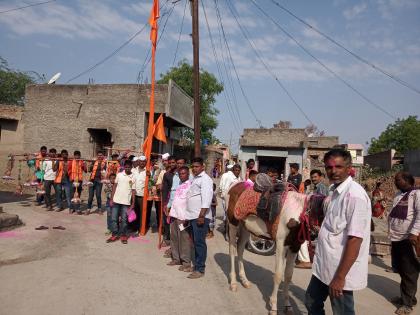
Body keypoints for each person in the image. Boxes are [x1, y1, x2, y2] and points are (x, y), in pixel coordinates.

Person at [305, 149, 371, 315]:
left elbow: (355, 240)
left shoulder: (354, 196)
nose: (333, 171)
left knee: (342, 311)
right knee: (311, 302)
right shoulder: (335, 191)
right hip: (324, 265)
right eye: (329, 167)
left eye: (339, 166)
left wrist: (340, 278)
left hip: (340, 270)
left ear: (349, 168)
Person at [388, 171, 419, 315]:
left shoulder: (416, 194)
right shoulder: (398, 195)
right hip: (396, 238)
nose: (395, 182)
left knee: (409, 272)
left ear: (407, 180)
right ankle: (408, 298)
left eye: (398, 180)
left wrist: (414, 232)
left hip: (408, 239)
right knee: (400, 269)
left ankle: (407, 305)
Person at [185, 157, 214, 279]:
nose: (194, 169)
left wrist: (201, 215)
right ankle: (197, 265)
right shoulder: (194, 178)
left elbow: (207, 199)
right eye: (193, 166)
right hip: (193, 215)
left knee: (200, 243)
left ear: (202, 166)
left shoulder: (205, 179)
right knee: (195, 242)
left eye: (197, 166)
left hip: (200, 216)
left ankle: (200, 269)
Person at [167, 166, 193, 270]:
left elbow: (190, 203)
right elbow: (175, 200)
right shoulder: (179, 185)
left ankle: (186, 262)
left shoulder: (190, 186)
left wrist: (188, 217)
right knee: (174, 238)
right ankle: (176, 258)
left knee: (184, 240)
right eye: (180, 174)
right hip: (174, 215)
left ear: (188, 174)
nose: (182, 176)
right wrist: (170, 212)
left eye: (184, 174)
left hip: (183, 217)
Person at [107, 160, 135, 244]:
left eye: (129, 167)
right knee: (113, 218)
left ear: (131, 167)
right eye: (126, 167)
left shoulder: (133, 177)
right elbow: (114, 187)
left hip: (126, 202)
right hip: (116, 200)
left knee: (124, 219)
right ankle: (114, 234)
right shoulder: (119, 175)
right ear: (124, 167)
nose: (127, 168)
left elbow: (133, 191)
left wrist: (132, 203)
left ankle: (123, 235)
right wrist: (111, 199)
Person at [219, 164, 241, 240]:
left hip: (236, 201)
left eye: (238, 170)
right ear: (233, 170)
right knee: (228, 218)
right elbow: (225, 190)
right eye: (236, 170)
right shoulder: (229, 178)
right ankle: (227, 234)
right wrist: (226, 202)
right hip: (228, 200)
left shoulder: (239, 178)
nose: (237, 172)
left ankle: (232, 234)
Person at [161, 156, 177, 246]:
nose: (171, 164)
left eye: (173, 162)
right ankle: (167, 239)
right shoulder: (167, 174)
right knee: (166, 220)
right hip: (168, 200)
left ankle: (175, 242)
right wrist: (164, 204)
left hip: (178, 201)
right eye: (170, 163)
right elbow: (165, 190)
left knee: (176, 222)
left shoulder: (181, 174)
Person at [131, 156, 147, 235]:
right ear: (138, 162)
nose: (142, 163)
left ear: (146, 163)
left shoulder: (147, 172)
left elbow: (150, 184)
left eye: (144, 161)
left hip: (142, 196)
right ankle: (133, 228)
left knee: (141, 213)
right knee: (133, 212)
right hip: (133, 195)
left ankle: (140, 228)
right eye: (141, 161)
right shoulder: (133, 170)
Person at [69, 150, 85, 214]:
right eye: (76, 155)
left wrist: (84, 164)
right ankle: (71, 208)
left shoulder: (81, 162)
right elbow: (69, 170)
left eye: (78, 155)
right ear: (74, 156)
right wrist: (70, 178)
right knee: (72, 194)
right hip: (73, 180)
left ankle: (77, 209)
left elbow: (85, 170)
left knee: (78, 194)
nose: (77, 156)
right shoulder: (71, 162)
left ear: (80, 156)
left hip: (79, 180)